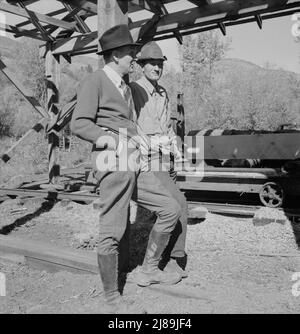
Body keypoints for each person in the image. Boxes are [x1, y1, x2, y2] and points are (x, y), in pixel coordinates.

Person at [71, 25, 184, 314]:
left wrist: (141, 140)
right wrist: (111, 139)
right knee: (113, 229)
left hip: (136, 160)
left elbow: (128, 123)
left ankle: (148, 270)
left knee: (171, 208)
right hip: (114, 162)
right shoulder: (95, 80)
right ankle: (112, 299)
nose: (134, 57)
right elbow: (79, 124)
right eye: (131, 53)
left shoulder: (125, 87)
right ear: (116, 54)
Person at [129, 41, 188, 279]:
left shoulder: (162, 93)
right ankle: (168, 260)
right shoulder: (133, 90)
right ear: (142, 66)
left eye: (160, 63)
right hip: (146, 158)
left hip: (164, 157)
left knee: (180, 203)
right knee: (178, 204)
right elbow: (129, 127)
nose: (157, 67)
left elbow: (166, 128)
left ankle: (172, 258)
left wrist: (176, 151)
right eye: (152, 63)